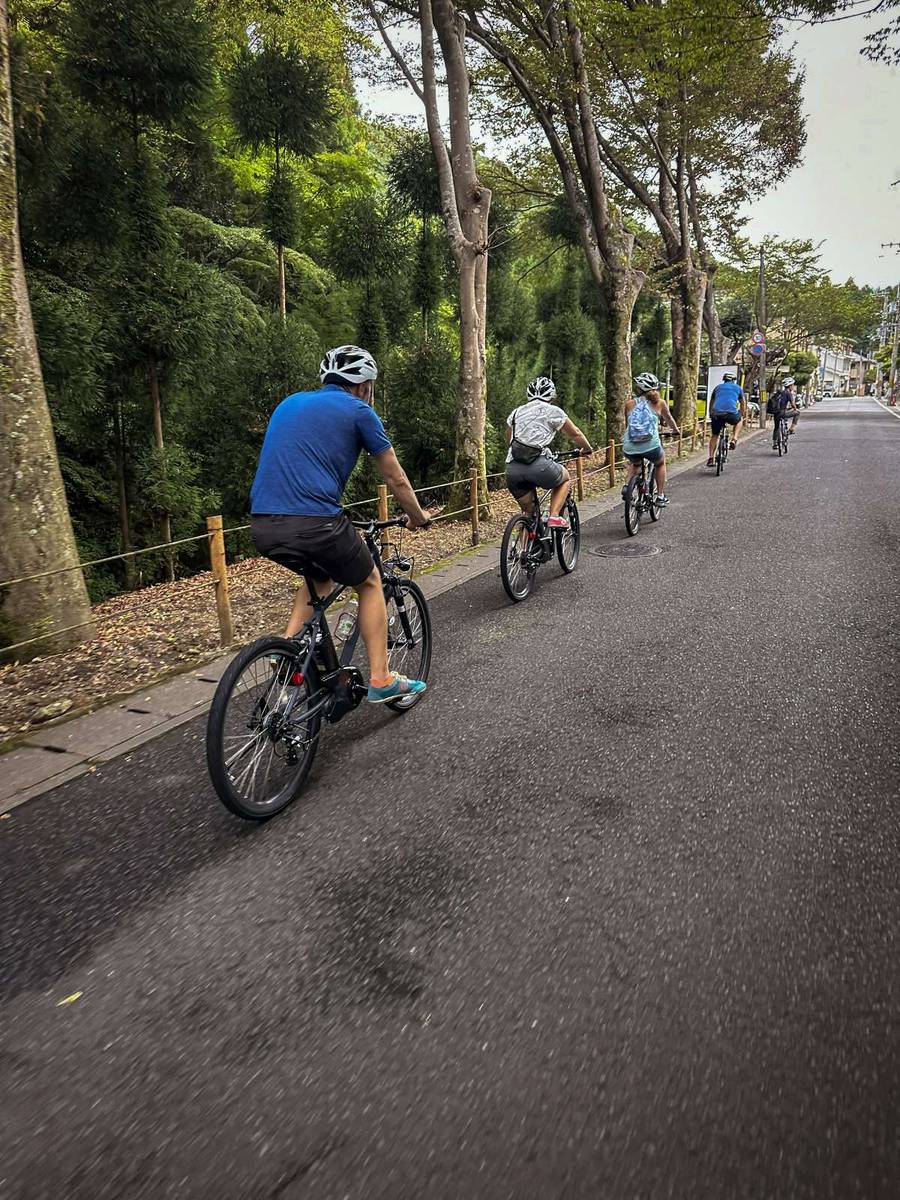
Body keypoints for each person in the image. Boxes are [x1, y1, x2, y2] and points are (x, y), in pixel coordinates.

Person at [250, 345, 433, 705]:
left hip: (263, 525)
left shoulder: (288, 404)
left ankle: (286, 654)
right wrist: (418, 517)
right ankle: (381, 678)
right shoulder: (359, 411)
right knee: (369, 581)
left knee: (320, 577)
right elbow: (395, 477)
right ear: (364, 385)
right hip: (316, 522)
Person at [505, 377, 593, 528]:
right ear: (552, 395)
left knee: (528, 513)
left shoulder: (516, 413)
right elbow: (575, 433)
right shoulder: (553, 411)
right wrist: (587, 449)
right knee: (565, 479)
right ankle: (554, 516)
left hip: (513, 468)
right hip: (538, 465)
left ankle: (523, 550)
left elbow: (509, 438)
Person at [622, 372, 680, 505]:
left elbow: (628, 426)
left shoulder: (629, 404)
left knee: (635, 463)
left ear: (639, 389)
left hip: (630, 446)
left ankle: (627, 486)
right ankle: (660, 496)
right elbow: (669, 419)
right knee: (660, 463)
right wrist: (675, 430)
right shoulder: (660, 403)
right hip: (651, 446)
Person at [705, 371, 745, 467]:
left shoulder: (717, 388)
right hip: (731, 413)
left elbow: (711, 402)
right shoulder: (738, 388)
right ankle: (734, 438)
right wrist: (742, 412)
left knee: (715, 435)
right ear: (733, 381)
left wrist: (711, 414)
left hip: (717, 414)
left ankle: (711, 458)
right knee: (739, 419)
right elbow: (743, 402)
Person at [768, 376, 799, 446]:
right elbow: (793, 404)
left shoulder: (778, 393)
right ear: (790, 385)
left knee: (776, 427)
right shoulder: (788, 393)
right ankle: (792, 429)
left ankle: (775, 442)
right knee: (797, 413)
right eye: (793, 385)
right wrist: (795, 409)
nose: (793, 386)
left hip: (776, 413)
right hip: (783, 412)